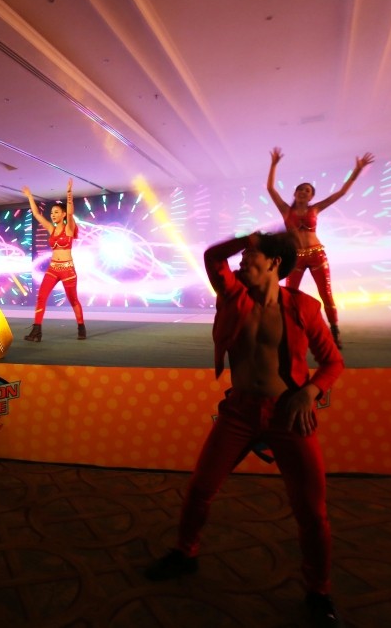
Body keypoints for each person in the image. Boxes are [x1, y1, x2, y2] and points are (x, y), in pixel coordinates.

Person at [144, 231, 345, 627]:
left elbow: (332, 362)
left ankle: (319, 592)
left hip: (288, 414)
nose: (241, 263)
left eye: (251, 256)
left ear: (274, 262)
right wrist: (245, 240)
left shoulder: (303, 306)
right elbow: (212, 257)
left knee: (311, 511)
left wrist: (309, 393)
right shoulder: (233, 294)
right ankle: (185, 553)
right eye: (241, 257)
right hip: (239, 411)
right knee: (200, 488)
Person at [267, 148, 374, 348]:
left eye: (307, 191)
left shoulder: (315, 209)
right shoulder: (285, 210)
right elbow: (271, 189)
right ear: (295, 193)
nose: (303, 192)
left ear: (311, 197)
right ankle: (288, 331)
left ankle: (334, 331)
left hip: (317, 255)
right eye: (300, 189)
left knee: (326, 293)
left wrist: (357, 170)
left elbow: (341, 193)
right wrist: (273, 165)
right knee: (290, 294)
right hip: (296, 257)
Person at [22, 179, 86, 342]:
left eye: (56, 212)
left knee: (73, 300)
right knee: (41, 297)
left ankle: (81, 327)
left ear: (63, 214)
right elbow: (37, 215)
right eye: (52, 213)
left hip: (67, 270)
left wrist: (69, 193)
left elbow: (70, 212)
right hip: (53, 269)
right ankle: (36, 331)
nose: (53, 215)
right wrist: (30, 196)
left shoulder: (69, 228)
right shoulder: (51, 229)